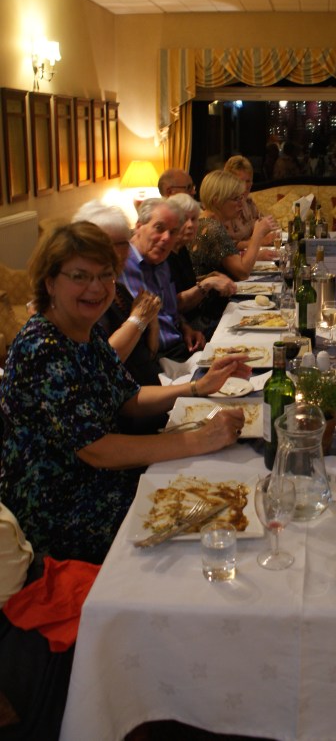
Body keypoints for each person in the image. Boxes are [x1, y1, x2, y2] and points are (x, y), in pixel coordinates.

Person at [0, 223, 249, 564]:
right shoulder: (42, 347)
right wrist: (201, 439)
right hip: (61, 505)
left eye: (105, 275)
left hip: (103, 478)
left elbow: (129, 399)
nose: (96, 287)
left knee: (223, 486)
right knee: (211, 525)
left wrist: (197, 387)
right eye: (80, 276)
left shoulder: (85, 331)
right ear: (49, 282)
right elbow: (97, 450)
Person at [71, 201, 163, 387]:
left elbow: (150, 353)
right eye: (112, 245)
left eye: (124, 243)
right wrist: (139, 319)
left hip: (145, 385)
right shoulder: (86, 297)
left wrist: (152, 322)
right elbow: (103, 364)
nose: (121, 253)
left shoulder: (117, 288)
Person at [121, 197, 205, 361]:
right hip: (152, 360)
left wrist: (186, 328)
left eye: (173, 232)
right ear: (138, 226)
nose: (166, 238)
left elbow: (170, 310)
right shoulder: (120, 267)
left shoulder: (162, 261)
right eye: (159, 228)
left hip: (181, 349)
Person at [167, 193, 236, 338]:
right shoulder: (164, 254)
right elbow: (174, 304)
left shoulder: (181, 248)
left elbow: (184, 284)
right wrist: (208, 283)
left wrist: (209, 277)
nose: (190, 225)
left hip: (199, 316)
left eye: (194, 219)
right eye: (183, 219)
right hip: (187, 327)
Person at [189, 170, 278, 280]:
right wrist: (258, 234)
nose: (241, 204)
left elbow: (230, 260)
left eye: (241, 198)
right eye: (236, 199)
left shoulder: (203, 221)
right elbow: (242, 272)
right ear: (216, 201)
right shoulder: (213, 228)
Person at [222, 155, 263, 248]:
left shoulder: (248, 202)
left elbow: (261, 224)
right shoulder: (224, 207)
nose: (245, 186)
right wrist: (260, 241)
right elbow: (227, 246)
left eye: (248, 181)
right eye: (240, 181)